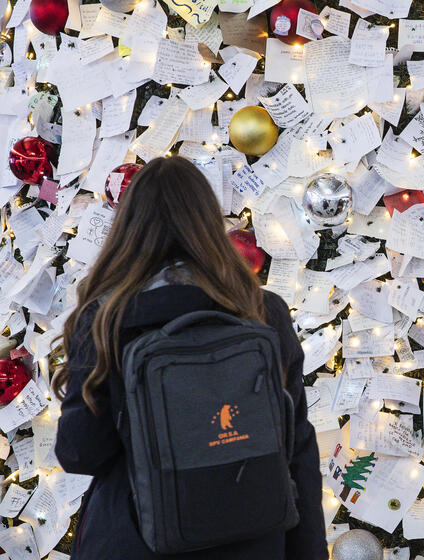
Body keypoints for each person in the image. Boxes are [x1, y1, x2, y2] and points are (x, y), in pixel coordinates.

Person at [52, 157, 328, 560]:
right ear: (208, 224)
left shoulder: (107, 319)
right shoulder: (262, 309)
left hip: (137, 541)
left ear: (128, 229)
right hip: (254, 538)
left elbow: (80, 452)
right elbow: (297, 449)